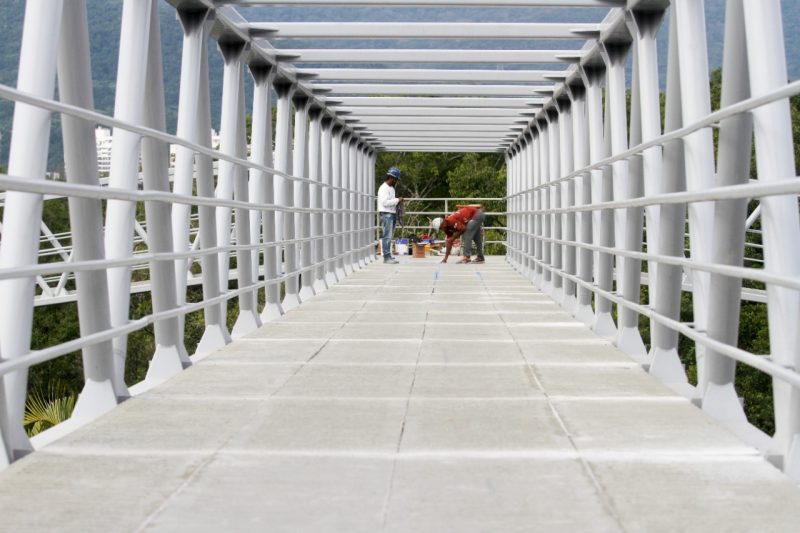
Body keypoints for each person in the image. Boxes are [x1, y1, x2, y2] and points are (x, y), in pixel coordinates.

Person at [377, 166, 404, 264]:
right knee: (387, 236)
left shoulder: (391, 188)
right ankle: (386, 257)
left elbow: (391, 201)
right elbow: (384, 202)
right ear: (392, 178)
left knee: (389, 236)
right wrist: (397, 200)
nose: (396, 181)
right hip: (386, 214)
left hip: (391, 214)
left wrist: (397, 201)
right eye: (396, 179)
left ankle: (388, 255)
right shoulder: (383, 188)